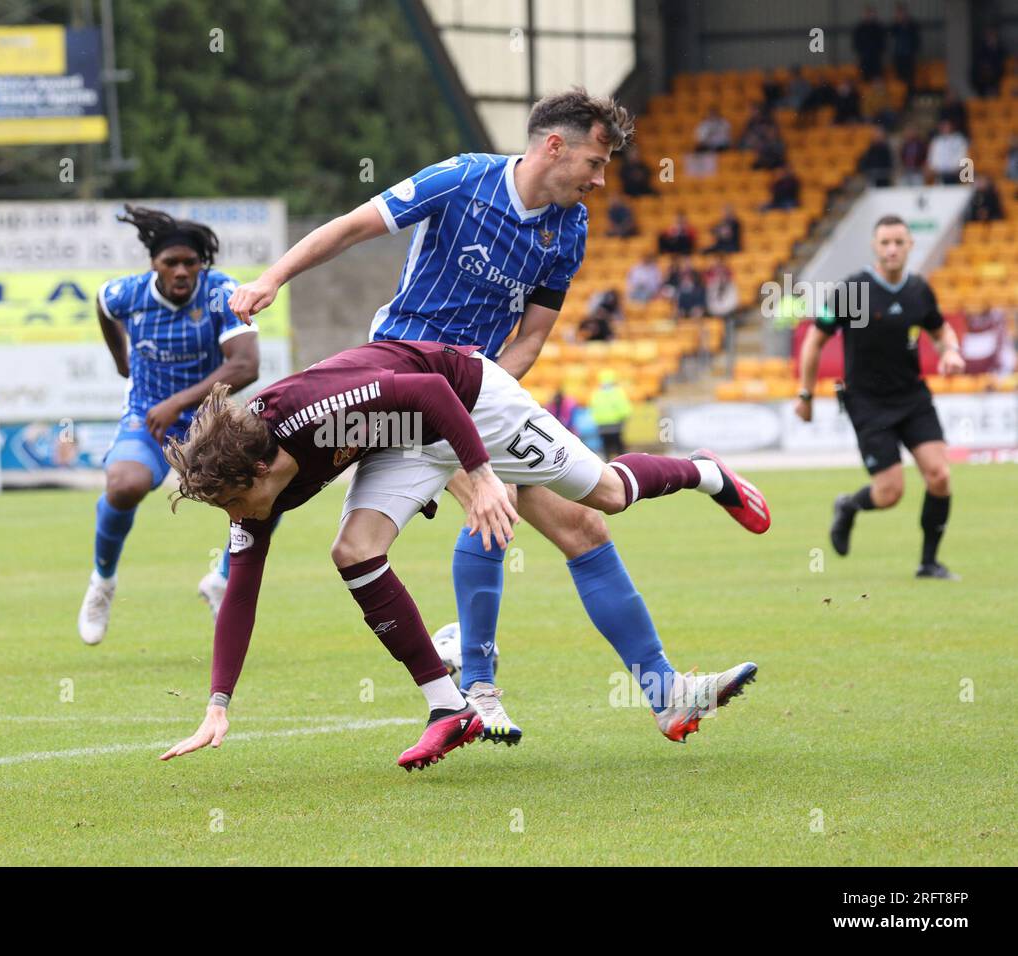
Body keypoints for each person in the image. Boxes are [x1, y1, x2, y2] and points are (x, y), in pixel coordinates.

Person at [224, 89, 769, 750]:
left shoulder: (568, 226)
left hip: (479, 388)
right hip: (396, 387)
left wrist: (488, 407)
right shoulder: (461, 180)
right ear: (554, 146)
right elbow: (349, 228)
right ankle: (478, 687)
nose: (601, 180)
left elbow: (533, 338)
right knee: (493, 505)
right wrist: (271, 280)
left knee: (582, 521)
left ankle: (640, 691)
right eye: (595, 162)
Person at [158, 341, 766, 767]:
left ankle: (704, 472)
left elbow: (429, 389)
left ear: (260, 469)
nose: (236, 518)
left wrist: (481, 476)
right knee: (355, 551)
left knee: (605, 496)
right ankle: (449, 706)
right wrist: (217, 705)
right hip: (404, 442)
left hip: (470, 401)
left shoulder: (312, 416)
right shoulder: (252, 485)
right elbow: (241, 587)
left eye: (235, 503)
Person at [76, 207, 259, 644]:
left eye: (190, 263)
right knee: (124, 484)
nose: (181, 271)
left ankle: (220, 579)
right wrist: (122, 361)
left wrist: (177, 401)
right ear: (154, 265)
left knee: (267, 491)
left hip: (209, 420)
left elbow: (247, 364)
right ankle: (102, 583)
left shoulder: (220, 293)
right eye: (170, 262)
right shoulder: (129, 294)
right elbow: (103, 305)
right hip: (147, 415)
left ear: (201, 265)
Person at [794, 215, 964, 580]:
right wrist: (805, 394)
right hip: (867, 401)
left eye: (898, 242)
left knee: (939, 476)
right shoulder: (854, 291)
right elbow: (814, 341)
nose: (891, 249)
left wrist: (950, 349)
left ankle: (928, 563)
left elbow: (941, 329)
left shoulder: (918, 289)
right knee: (889, 493)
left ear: (909, 246)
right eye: (885, 242)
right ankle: (849, 506)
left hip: (912, 396)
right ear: (875, 246)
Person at [589, 369, 631, 458]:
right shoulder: (617, 392)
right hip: (616, 423)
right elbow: (623, 407)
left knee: (606, 446)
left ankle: (608, 463)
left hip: (602, 424)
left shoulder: (596, 393)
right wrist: (626, 415)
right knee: (618, 446)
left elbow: (593, 408)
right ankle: (622, 462)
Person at [890, 2, 920, 94]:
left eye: (902, 13)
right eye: (899, 13)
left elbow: (916, 39)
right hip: (899, 55)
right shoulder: (895, 26)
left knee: (910, 77)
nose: (901, 15)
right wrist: (897, 23)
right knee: (899, 77)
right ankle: (900, 96)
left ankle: (910, 95)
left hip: (909, 55)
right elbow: (892, 35)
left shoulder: (912, 25)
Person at [926, 120, 969, 184]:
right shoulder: (937, 141)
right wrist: (932, 167)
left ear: (952, 127)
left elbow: (963, 154)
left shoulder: (959, 140)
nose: (946, 129)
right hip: (939, 172)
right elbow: (932, 156)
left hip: (955, 172)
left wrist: (958, 167)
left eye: (947, 126)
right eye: (944, 127)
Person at [853, 6, 886, 82]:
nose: (868, 16)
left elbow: (882, 43)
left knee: (877, 79)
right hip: (864, 58)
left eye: (870, 13)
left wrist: (878, 51)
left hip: (876, 58)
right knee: (865, 79)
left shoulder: (878, 28)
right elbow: (856, 43)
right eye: (867, 14)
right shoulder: (859, 28)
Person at [972, 27, 1008, 98]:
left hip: (997, 75)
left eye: (992, 36)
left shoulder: (1001, 49)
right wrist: (985, 68)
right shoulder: (981, 49)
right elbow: (979, 62)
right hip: (983, 77)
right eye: (989, 36)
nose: (991, 38)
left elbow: (1002, 63)